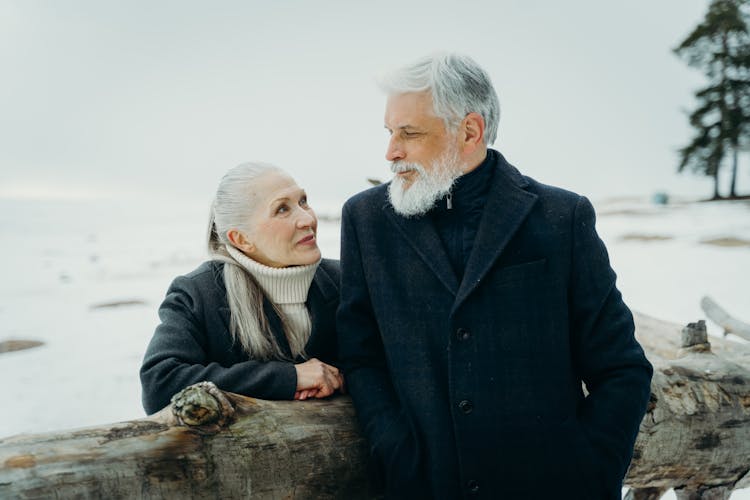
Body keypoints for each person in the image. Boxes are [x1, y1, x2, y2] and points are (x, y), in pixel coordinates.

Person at [337, 53, 653, 499]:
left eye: (409, 133)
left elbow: (622, 368)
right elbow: (360, 355)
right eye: (390, 132)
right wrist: (395, 449)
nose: (391, 152)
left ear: (469, 131)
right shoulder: (366, 220)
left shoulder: (562, 217)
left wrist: (588, 472)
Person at [140, 162, 344, 415]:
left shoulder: (345, 280)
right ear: (241, 239)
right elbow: (160, 384)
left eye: (303, 201)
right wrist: (287, 378)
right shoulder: (199, 294)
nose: (307, 218)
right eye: (282, 209)